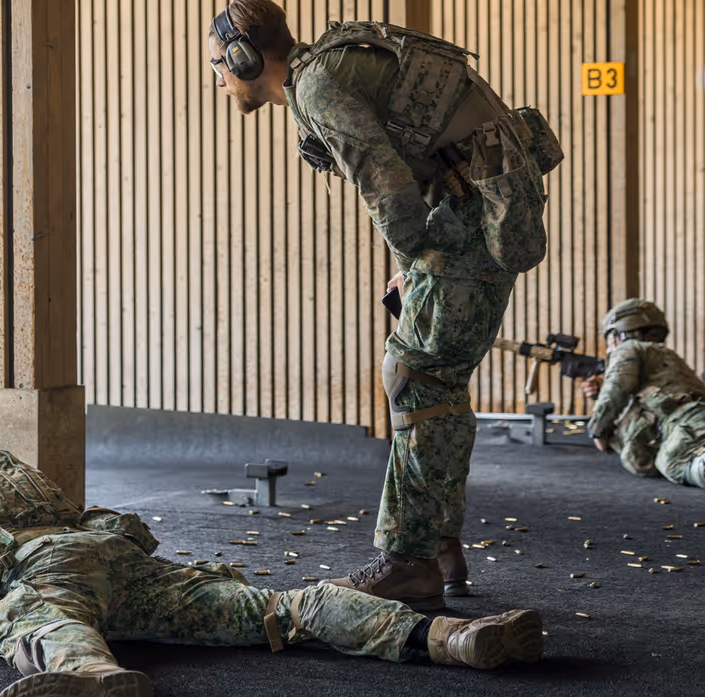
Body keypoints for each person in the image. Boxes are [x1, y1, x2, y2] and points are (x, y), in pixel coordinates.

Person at [0, 394, 544, 697]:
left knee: (39, 619)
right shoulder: (16, 471)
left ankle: (93, 676)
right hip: (113, 556)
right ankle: (450, 635)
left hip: (43, 574)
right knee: (275, 606)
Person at [207, 0, 560, 607]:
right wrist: (412, 267)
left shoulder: (317, 84)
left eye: (219, 63)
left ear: (246, 57)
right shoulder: (329, 67)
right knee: (432, 379)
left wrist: (415, 260)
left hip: (471, 222)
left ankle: (410, 561)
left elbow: (389, 192)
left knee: (416, 374)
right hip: (475, 214)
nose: (216, 78)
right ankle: (438, 545)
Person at [580, 299, 705, 487]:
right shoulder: (663, 360)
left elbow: (617, 388)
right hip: (684, 426)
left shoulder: (629, 349)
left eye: (610, 340)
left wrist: (598, 429)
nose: (608, 350)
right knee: (674, 460)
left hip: (688, 424)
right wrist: (598, 396)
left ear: (622, 333)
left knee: (679, 460)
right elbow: (639, 447)